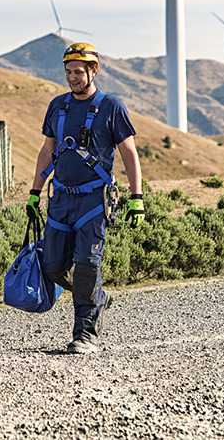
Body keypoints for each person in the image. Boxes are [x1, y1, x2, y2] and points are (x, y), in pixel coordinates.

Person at [27, 42, 144, 354]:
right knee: (52, 266)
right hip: (60, 199)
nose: (72, 77)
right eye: (68, 72)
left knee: (87, 264)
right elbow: (47, 151)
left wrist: (137, 196)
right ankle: (97, 297)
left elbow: (129, 153)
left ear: (94, 71)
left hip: (93, 201)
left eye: (78, 72)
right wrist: (34, 192)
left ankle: (85, 333)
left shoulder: (112, 107)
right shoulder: (57, 106)